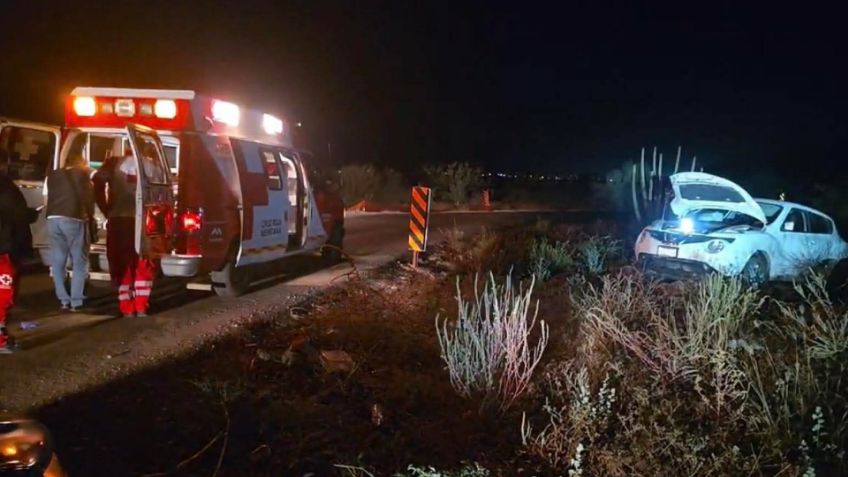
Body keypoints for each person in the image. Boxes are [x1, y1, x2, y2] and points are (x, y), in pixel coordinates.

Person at [93, 145, 154, 318]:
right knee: (142, 261)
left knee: (121, 262)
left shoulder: (113, 163)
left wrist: (105, 208)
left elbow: (97, 182)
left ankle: (126, 307)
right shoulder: (152, 165)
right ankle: (141, 306)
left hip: (118, 219)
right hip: (142, 220)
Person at [44, 151, 95, 311]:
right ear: (80, 162)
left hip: (53, 219)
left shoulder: (51, 176)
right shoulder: (83, 175)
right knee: (79, 261)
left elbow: (46, 199)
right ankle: (76, 301)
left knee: (58, 261)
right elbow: (89, 200)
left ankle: (63, 299)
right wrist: (91, 217)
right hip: (74, 218)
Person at [0, 151, 39, 353]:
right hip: (4, 248)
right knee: (4, 294)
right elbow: (16, 214)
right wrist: (31, 214)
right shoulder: (5, 186)